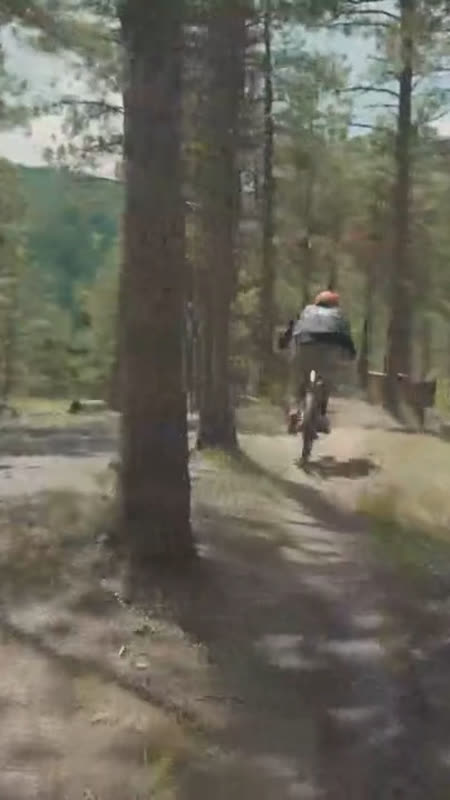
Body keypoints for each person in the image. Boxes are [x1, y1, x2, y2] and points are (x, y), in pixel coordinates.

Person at [280, 290, 356, 434]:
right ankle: (321, 415)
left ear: (317, 301)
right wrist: (351, 354)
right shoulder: (339, 315)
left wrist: (283, 343)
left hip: (304, 344)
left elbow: (292, 330)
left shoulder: (307, 311)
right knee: (327, 379)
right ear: (335, 304)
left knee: (298, 378)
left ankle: (294, 410)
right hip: (330, 348)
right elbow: (347, 339)